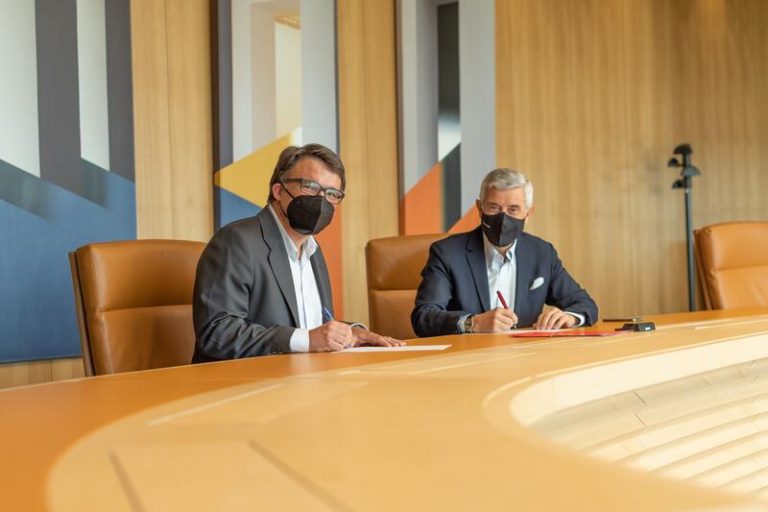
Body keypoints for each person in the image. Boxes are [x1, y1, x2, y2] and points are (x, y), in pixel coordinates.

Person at [193, 143, 402, 362]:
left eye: (332, 194)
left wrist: (349, 333)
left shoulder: (313, 250)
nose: (321, 200)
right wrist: (309, 340)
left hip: (305, 376)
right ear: (279, 191)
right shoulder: (236, 241)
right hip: (244, 380)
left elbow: (309, 327)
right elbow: (217, 334)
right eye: (310, 186)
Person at [411, 168, 597, 337]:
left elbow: (585, 305)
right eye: (494, 207)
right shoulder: (447, 253)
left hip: (526, 355)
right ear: (480, 208)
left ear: (528, 213)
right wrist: (473, 323)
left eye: (513, 209)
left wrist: (570, 317)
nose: (503, 218)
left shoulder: (542, 253)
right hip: (468, 356)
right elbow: (424, 317)